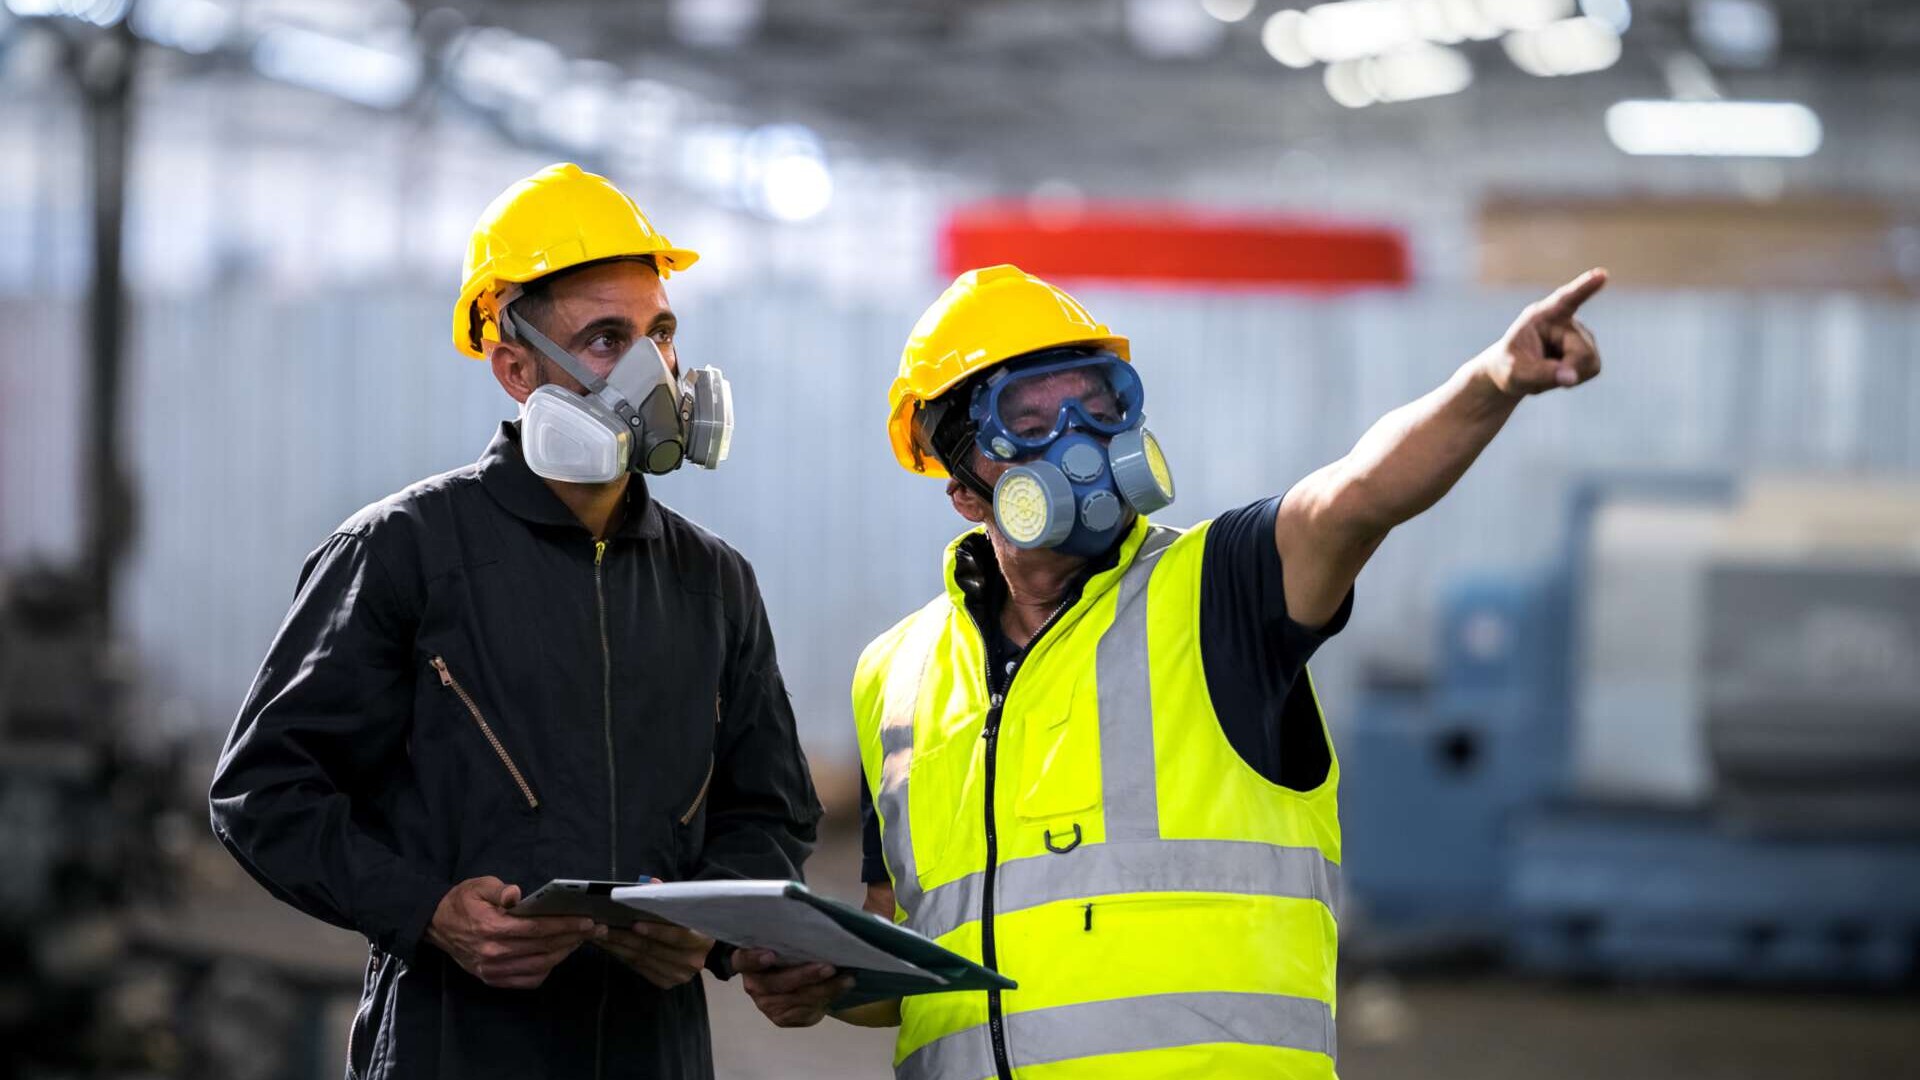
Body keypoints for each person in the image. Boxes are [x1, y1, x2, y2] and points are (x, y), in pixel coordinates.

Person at [737, 262, 1606, 1078]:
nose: (1077, 444)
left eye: (1098, 407)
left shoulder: (1221, 589)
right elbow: (906, 949)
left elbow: (1358, 495)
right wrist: (823, 987)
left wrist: (1494, 381)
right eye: (1031, 424)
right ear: (963, 484)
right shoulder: (895, 672)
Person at [209, 163, 822, 1080]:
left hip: (658, 1047)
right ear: (516, 367)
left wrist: (713, 930)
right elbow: (264, 790)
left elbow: (767, 807)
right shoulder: (403, 551)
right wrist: (427, 911)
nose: (653, 370)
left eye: (660, 332)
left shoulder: (714, 582)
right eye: (608, 338)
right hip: (454, 1040)